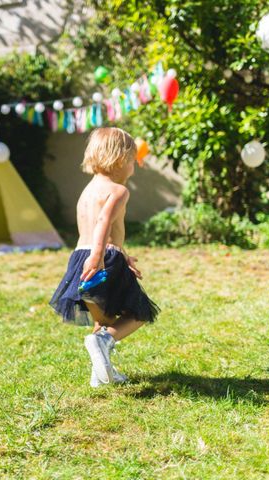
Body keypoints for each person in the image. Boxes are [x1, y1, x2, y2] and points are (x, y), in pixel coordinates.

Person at [49, 127, 160, 387]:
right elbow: (103, 222)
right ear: (120, 160)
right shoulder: (119, 191)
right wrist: (102, 255)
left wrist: (121, 255)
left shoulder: (86, 192)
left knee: (104, 320)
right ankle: (105, 341)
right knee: (139, 313)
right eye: (133, 160)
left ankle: (100, 375)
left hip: (80, 258)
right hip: (101, 258)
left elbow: (89, 230)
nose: (135, 166)